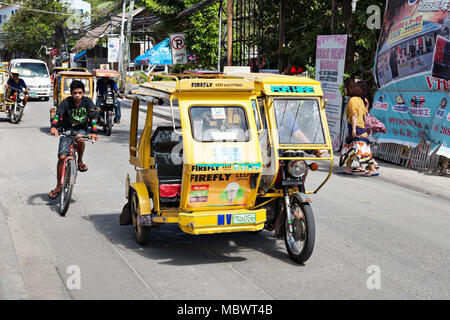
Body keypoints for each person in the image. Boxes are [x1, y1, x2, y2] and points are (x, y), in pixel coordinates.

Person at [48, 80, 98, 200]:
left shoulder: (88, 102)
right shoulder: (66, 102)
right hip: (66, 130)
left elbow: (93, 117)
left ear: (83, 93)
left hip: (81, 130)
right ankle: (58, 186)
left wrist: (94, 132)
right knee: (61, 158)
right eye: (75, 93)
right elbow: (58, 115)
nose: (77, 95)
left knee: (80, 140)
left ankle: (80, 162)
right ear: (71, 93)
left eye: (80, 93)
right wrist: (54, 127)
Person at [338, 81, 379, 177]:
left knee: (361, 149)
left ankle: (372, 169)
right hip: (359, 127)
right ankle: (347, 168)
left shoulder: (353, 100)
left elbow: (354, 115)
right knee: (349, 148)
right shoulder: (360, 100)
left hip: (356, 127)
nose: (344, 90)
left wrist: (353, 130)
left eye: (345, 88)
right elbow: (364, 114)